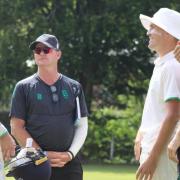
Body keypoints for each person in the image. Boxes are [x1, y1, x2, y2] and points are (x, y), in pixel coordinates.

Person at [9, 34, 88, 180]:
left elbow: (82, 125)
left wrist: (70, 154)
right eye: (37, 50)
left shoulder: (74, 87)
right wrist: (41, 155)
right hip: (33, 164)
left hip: (68, 164)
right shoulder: (23, 87)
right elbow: (16, 127)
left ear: (58, 54)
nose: (41, 53)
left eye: (46, 50)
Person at [134, 8, 180, 180]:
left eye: (154, 28)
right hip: (154, 149)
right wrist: (141, 133)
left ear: (168, 34)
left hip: (161, 154)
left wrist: (153, 157)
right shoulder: (162, 64)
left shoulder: (172, 66)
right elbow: (157, 108)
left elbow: (173, 115)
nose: (148, 32)